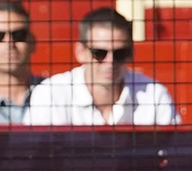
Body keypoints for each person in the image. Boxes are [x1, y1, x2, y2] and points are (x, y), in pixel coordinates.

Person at [25, 7, 178, 126]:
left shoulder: (154, 96)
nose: (110, 62)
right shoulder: (51, 96)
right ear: (80, 52)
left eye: (119, 53)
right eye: (99, 53)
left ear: (131, 53)